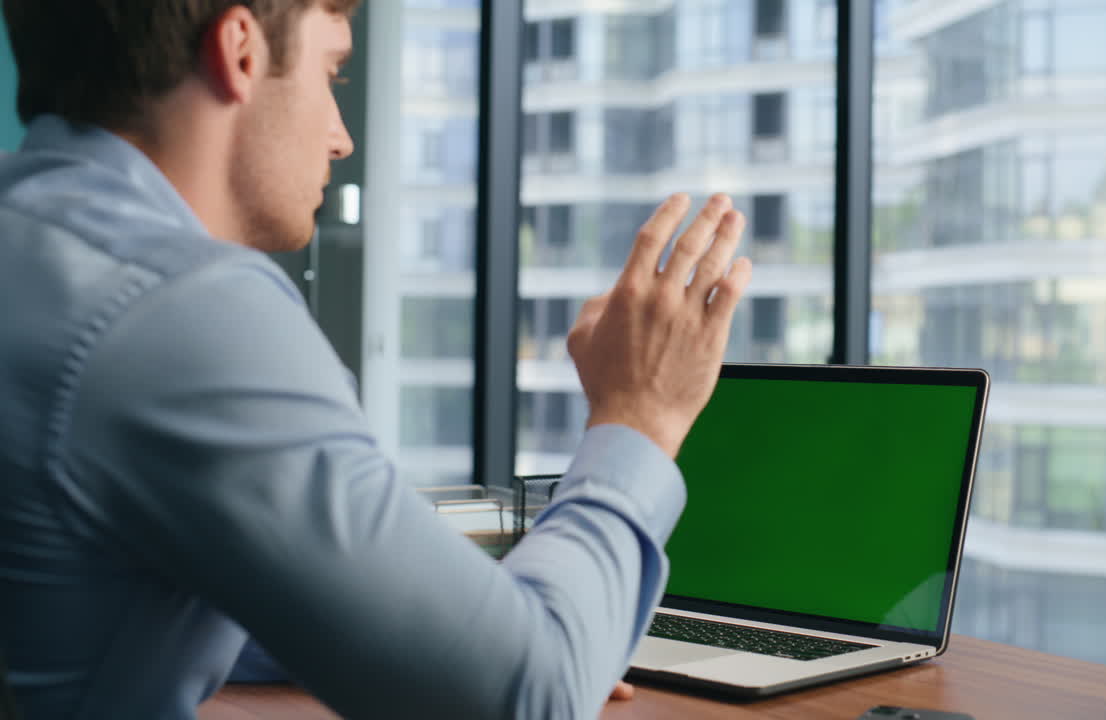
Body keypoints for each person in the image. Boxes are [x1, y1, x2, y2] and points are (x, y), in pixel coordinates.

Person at [0, 0, 751, 718]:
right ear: (239, 52)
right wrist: (640, 415)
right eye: (334, 72)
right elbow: (531, 697)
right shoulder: (178, 311)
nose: (341, 137)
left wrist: (399, 627)